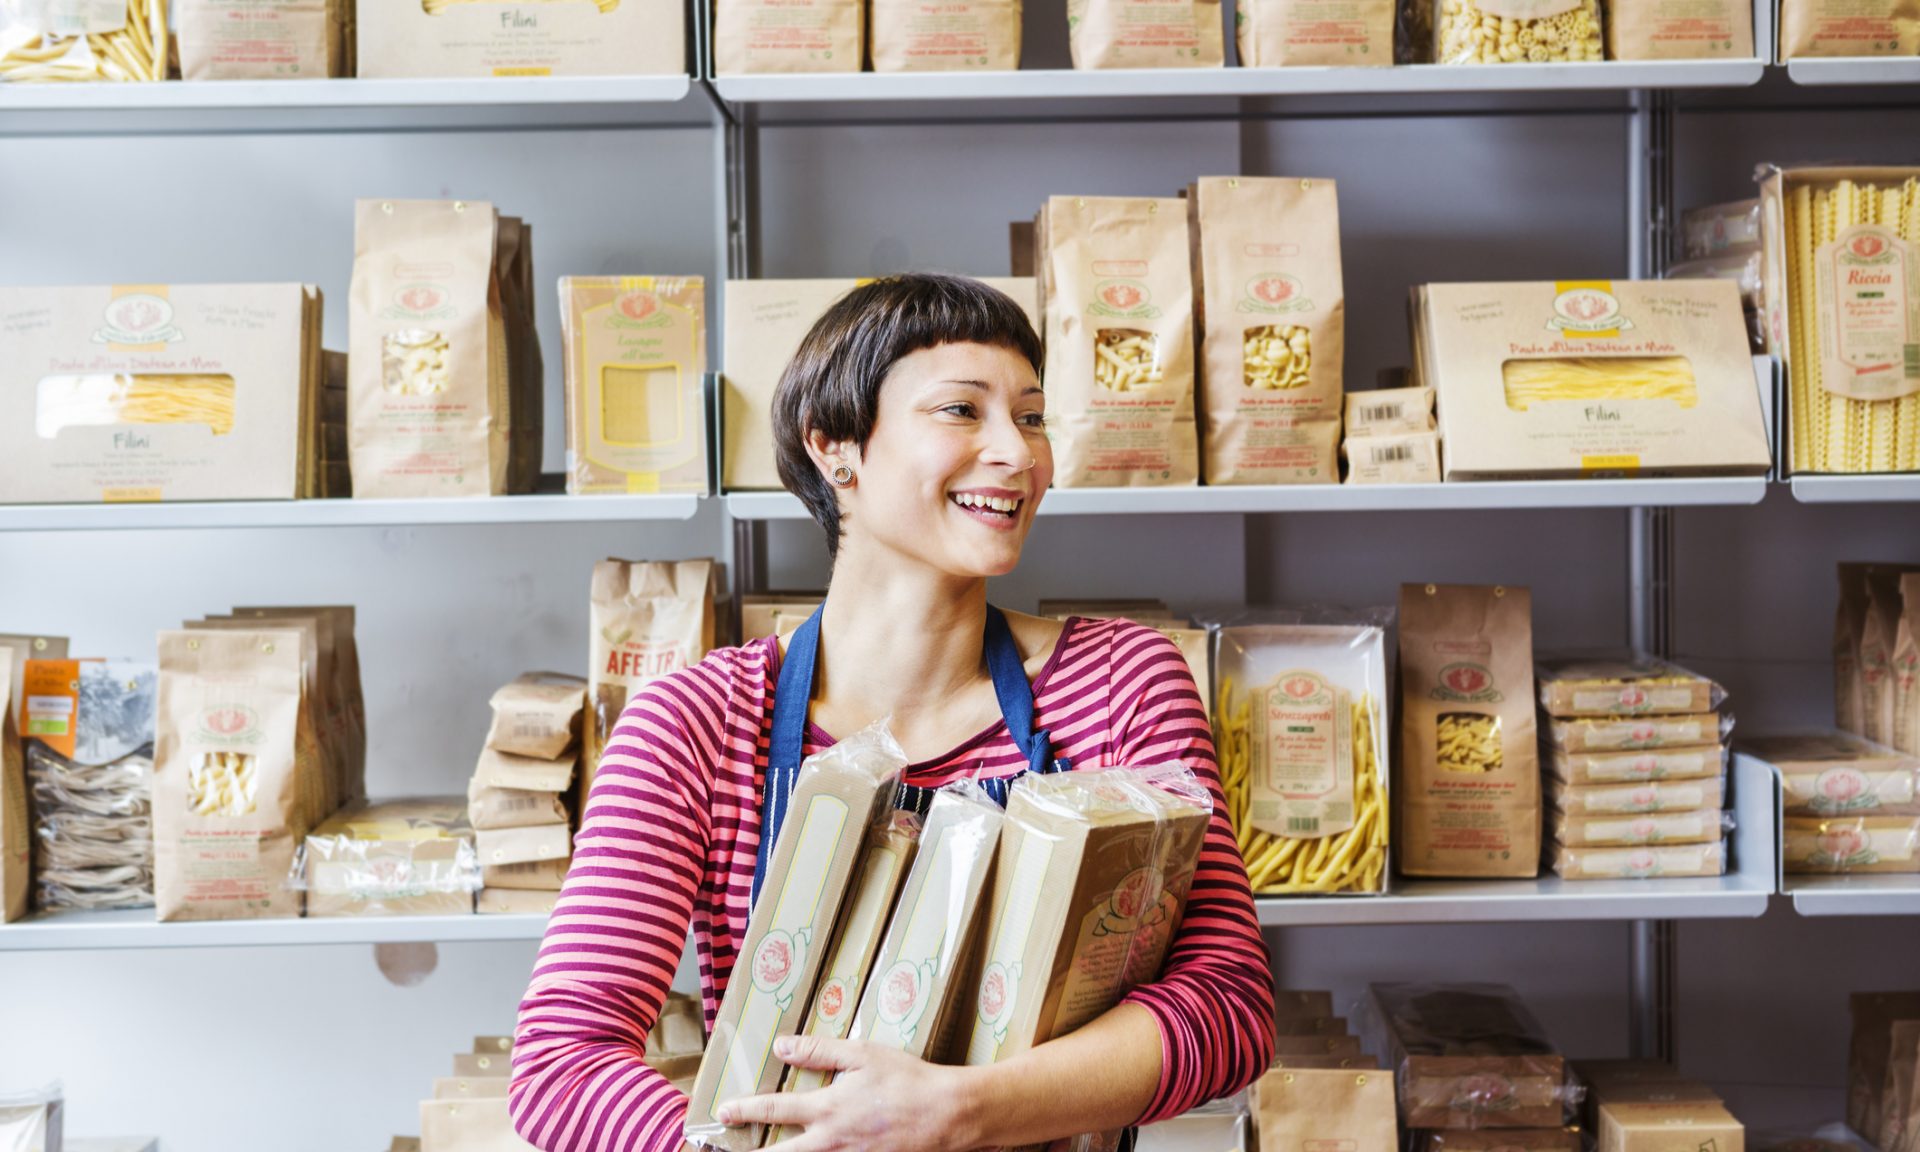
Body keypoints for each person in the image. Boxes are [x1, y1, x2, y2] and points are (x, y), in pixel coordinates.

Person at [510, 274, 1275, 1152]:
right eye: (961, 410)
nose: (1018, 454)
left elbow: (1228, 1005)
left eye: (1030, 417)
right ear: (836, 448)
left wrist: (962, 1110)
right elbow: (563, 1061)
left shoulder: (1117, 682)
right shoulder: (701, 721)